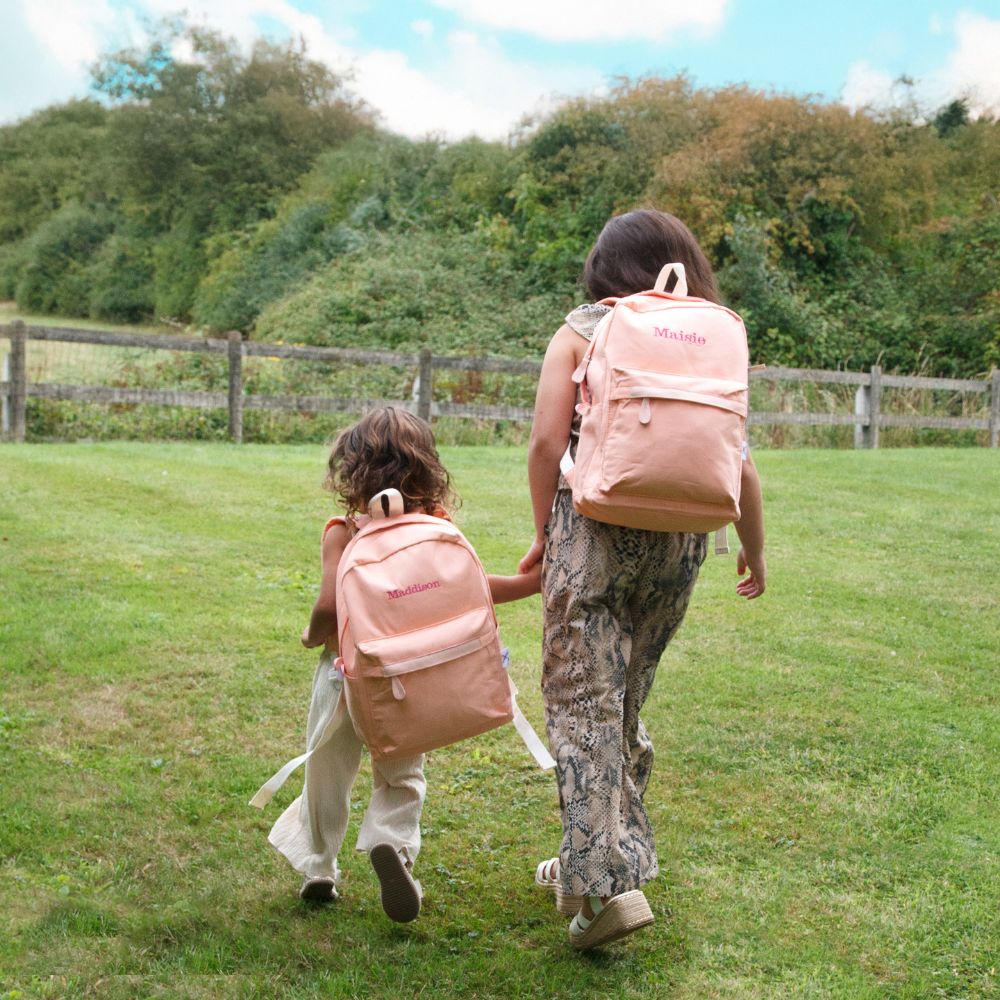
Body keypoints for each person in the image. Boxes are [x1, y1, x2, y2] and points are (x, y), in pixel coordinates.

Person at [520, 209, 767, 950]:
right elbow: (740, 461)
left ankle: (603, 891)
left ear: (603, 268)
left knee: (580, 704)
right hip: (684, 542)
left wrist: (542, 533)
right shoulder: (713, 334)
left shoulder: (583, 329)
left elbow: (542, 443)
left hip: (592, 531)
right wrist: (753, 548)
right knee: (621, 701)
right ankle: (588, 857)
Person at [268, 406, 540, 922]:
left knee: (327, 767)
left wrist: (311, 636)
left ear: (352, 469)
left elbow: (328, 608)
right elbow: (472, 593)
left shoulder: (344, 530)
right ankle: (391, 843)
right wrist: (531, 582)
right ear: (427, 466)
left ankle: (320, 868)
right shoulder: (436, 525)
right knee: (401, 772)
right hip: (409, 682)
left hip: (343, 673)